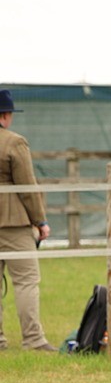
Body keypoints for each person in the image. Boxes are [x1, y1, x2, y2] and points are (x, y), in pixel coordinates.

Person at [0, 89, 55, 352]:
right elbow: (26, 186)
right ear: (6, 115)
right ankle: (33, 340)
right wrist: (40, 220)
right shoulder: (14, 142)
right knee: (26, 280)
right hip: (11, 223)